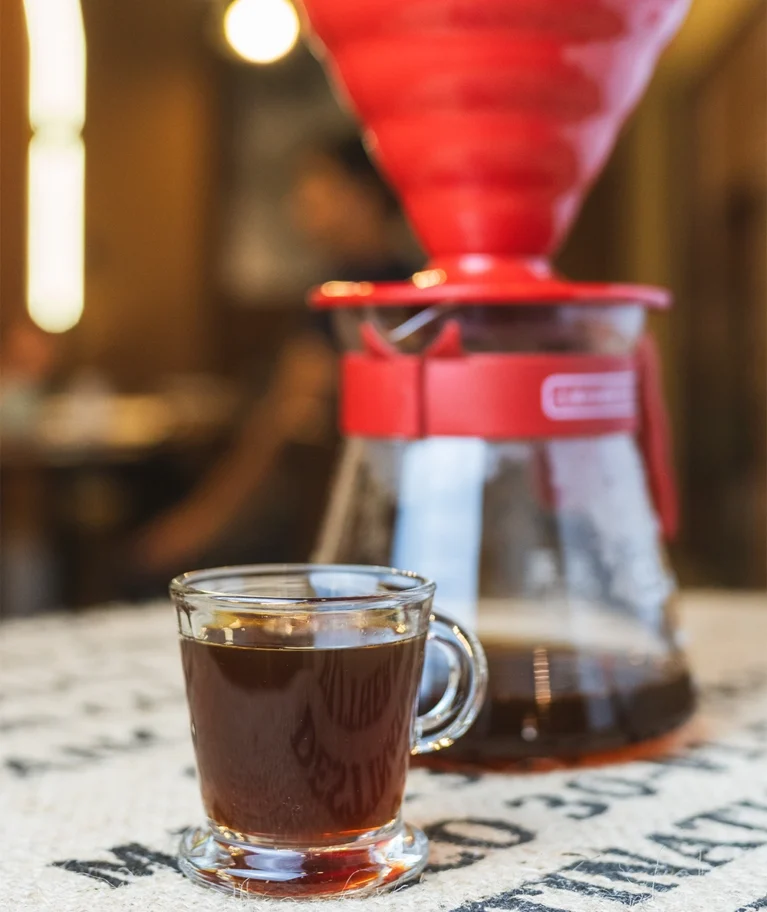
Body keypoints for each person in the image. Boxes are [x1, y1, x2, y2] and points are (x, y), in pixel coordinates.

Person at [133, 135, 417, 579]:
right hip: (386, 522)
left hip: (330, 523)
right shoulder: (408, 284)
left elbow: (283, 417)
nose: (299, 201)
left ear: (361, 195)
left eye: (315, 182)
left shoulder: (348, 299)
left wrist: (200, 522)